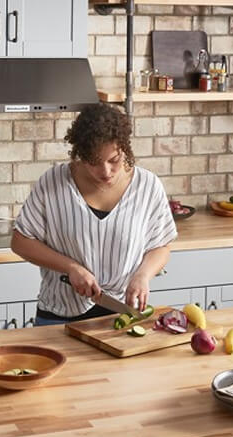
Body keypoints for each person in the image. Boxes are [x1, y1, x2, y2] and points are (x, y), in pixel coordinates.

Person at [12, 104, 177, 325]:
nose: (105, 172)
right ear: (79, 154)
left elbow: (161, 245)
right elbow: (21, 241)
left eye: (114, 160)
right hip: (59, 317)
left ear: (124, 148)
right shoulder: (53, 182)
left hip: (122, 316)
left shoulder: (147, 186)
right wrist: (71, 267)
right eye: (94, 163)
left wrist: (143, 275)